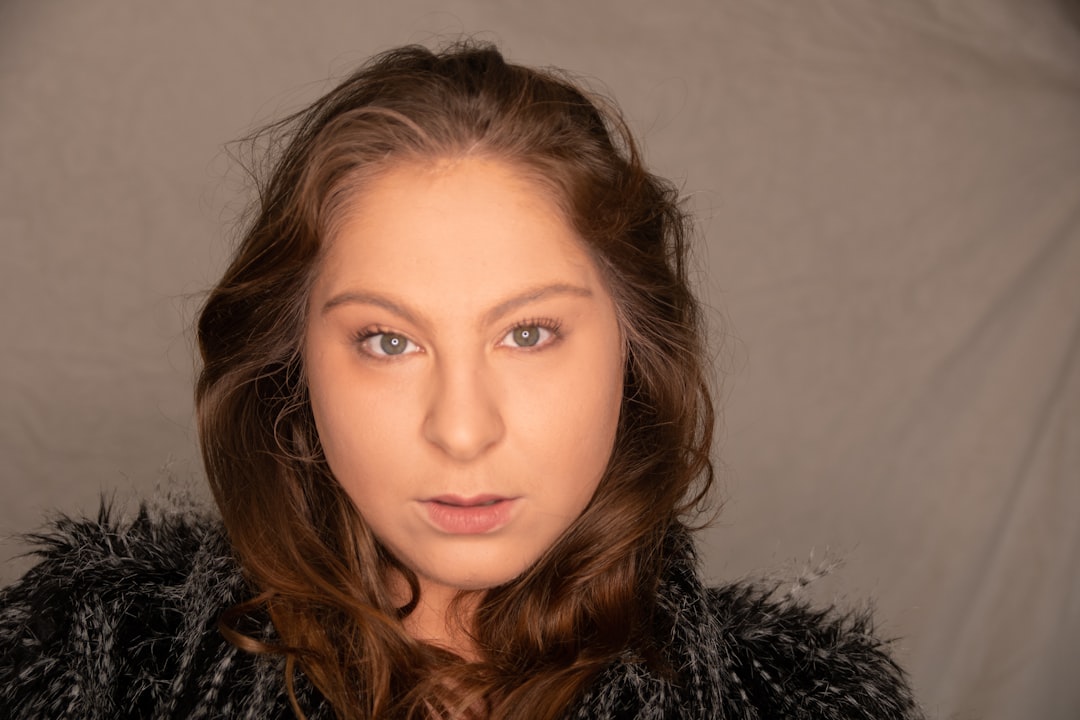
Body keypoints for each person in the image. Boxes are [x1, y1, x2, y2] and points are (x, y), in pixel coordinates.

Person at [0, 42, 923, 719]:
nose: (463, 429)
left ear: (635, 350)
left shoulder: (805, 705)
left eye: (528, 333)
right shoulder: (92, 675)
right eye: (388, 341)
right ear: (292, 367)